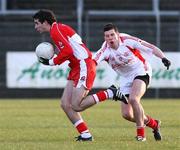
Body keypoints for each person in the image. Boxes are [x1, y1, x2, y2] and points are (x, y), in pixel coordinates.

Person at [33, 10, 128, 141]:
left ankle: (110, 93)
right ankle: (86, 135)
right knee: (65, 104)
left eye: (37, 23)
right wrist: (55, 54)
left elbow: (68, 50)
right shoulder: (58, 29)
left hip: (84, 65)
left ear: (45, 22)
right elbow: (69, 50)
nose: (35, 26)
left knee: (77, 105)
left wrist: (51, 61)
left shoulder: (56, 30)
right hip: (77, 67)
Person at [93, 23, 171, 142]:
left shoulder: (127, 41)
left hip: (141, 71)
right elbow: (93, 62)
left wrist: (163, 58)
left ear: (117, 35)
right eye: (107, 36)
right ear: (104, 38)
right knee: (127, 114)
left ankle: (141, 135)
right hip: (125, 79)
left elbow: (150, 47)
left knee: (134, 99)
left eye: (112, 35)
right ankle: (154, 124)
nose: (110, 38)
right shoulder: (105, 50)